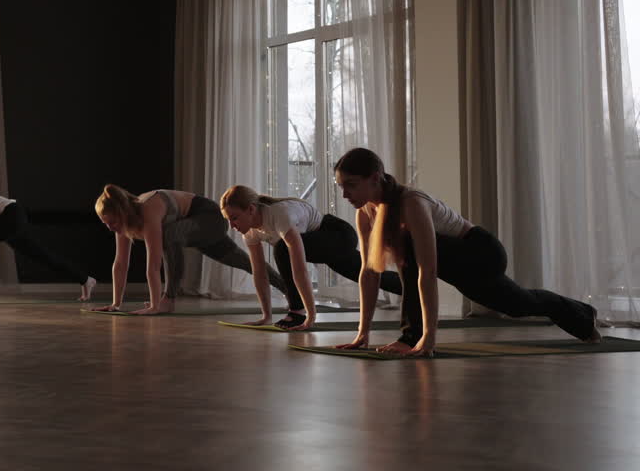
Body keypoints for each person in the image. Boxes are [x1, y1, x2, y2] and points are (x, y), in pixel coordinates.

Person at [331, 147, 599, 357]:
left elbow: (427, 269)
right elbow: (369, 272)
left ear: (375, 178)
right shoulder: (365, 213)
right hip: (457, 261)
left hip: (480, 252)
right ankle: (582, 314)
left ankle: (409, 336)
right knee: (518, 305)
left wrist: (427, 337)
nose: (345, 194)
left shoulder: (411, 203)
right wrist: (361, 333)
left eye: (351, 185)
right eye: (341, 186)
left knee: (408, 249)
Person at [219, 184, 403, 329]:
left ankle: (296, 311)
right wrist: (266, 316)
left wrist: (310, 315)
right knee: (365, 274)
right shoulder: (250, 232)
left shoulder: (280, 214)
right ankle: (410, 288)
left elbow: (299, 269)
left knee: (282, 249)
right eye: (228, 220)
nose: (232, 225)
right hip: (320, 243)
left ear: (251, 209)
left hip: (338, 234)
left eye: (234, 218)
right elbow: (259, 273)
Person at [90, 184, 288, 314]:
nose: (110, 227)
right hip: (194, 229)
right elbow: (120, 263)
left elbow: (154, 262)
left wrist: (155, 306)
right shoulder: (123, 224)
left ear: (122, 213)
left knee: (169, 235)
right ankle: (291, 291)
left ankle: (169, 299)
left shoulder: (148, 209)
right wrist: (116, 304)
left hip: (210, 218)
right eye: (105, 223)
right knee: (245, 262)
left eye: (112, 222)